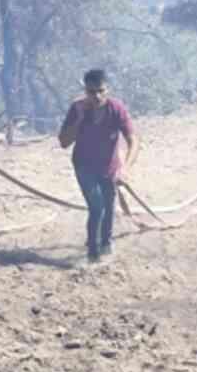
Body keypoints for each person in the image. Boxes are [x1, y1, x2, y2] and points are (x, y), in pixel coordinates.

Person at [58, 68, 138, 262]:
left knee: (109, 206)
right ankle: (92, 253)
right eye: (91, 92)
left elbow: (133, 141)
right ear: (85, 91)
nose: (97, 96)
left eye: (101, 90)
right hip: (84, 167)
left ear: (107, 89)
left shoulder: (116, 108)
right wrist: (78, 120)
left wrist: (124, 169)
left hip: (110, 167)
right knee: (97, 207)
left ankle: (106, 245)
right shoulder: (77, 109)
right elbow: (63, 142)